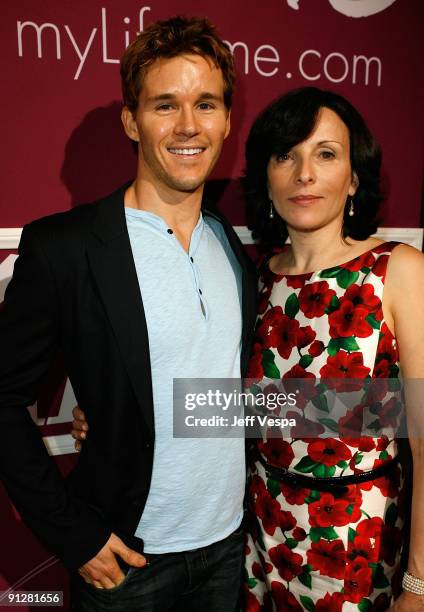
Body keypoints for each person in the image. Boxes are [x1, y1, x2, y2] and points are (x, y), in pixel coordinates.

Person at [0, 16, 257, 612]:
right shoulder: (66, 248)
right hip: (126, 561)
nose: (189, 126)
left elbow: (218, 391)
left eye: (207, 104)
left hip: (228, 550)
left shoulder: (230, 246)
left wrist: (385, 410)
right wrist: (72, 535)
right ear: (131, 120)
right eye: (165, 105)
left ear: (226, 120)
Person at [241, 87, 424, 611]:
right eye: (287, 155)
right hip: (258, 546)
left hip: (355, 557)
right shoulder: (259, 279)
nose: (304, 173)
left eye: (326, 154)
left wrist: (418, 584)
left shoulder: (398, 271)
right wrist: (123, 415)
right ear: (268, 178)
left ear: (354, 178)